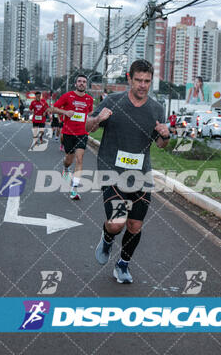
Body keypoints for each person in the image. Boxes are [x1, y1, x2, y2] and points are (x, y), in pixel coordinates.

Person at [86, 59, 169, 284]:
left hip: (141, 174)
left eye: (147, 81)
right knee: (117, 223)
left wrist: (165, 135)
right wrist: (98, 118)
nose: (142, 85)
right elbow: (87, 127)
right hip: (111, 171)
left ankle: (122, 264)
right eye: (138, 80)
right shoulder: (112, 102)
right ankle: (107, 236)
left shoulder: (157, 109)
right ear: (129, 78)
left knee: (135, 225)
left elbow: (161, 145)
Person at [50, 74, 94, 200]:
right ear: (75, 84)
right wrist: (65, 112)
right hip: (68, 133)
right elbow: (53, 108)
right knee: (69, 159)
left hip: (82, 133)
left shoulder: (89, 99)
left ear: (86, 84)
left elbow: (90, 112)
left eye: (84, 82)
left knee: (79, 159)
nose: (81, 83)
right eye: (79, 81)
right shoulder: (67, 96)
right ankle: (65, 168)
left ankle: (74, 189)